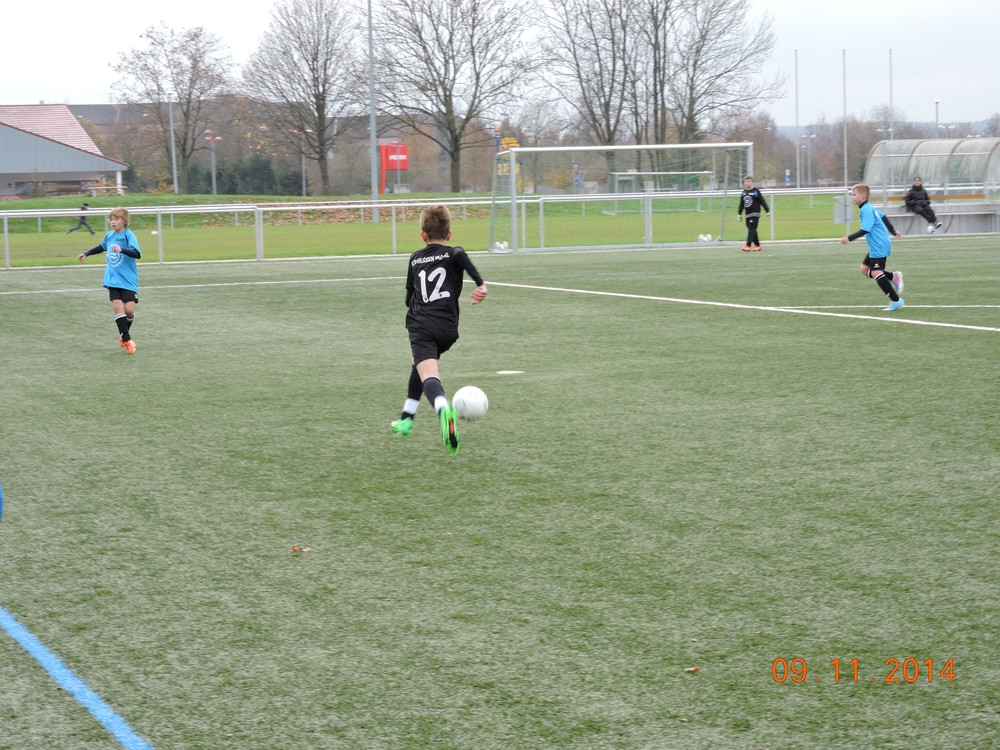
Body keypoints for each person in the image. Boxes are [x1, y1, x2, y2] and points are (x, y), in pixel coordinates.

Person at [391, 204, 488, 455]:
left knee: (429, 375)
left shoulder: (415, 258)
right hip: (448, 329)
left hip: (422, 326)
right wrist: (480, 284)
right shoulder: (453, 253)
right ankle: (406, 418)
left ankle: (443, 409)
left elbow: (409, 298)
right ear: (449, 233)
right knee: (418, 364)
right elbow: (460, 255)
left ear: (423, 235)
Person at [76, 207, 142, 353]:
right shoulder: (109, 236)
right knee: (118, 307)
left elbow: (137, 253)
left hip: (128, 279)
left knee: (129, 311)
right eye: (111, 219)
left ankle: (123, 335)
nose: (113, 222)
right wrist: (86, 253)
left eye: (116, 219)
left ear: (124, 221)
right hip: (113, 279)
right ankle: (127, 340)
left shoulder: (128, 235)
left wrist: (122, 250)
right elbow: (101, 247)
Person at [840, 183, 905, 312]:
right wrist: (893, 231)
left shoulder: (866, 209)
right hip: (878, 245)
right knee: (864, 269)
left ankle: (896, 300)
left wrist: (848, 238)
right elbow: (883, 216)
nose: (852, 197)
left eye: (854, 195)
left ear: (863, 196)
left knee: (876, 272)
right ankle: (893, 277)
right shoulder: (868, 207)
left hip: (879, 245)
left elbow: (865, 229)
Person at [736, 175, 769, 251]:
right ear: (744, 183)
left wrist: (767, 210)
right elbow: (741, 204)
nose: (747, 183)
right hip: (747, 214)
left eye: (749, 181)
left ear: (752, 182)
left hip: (755, 213)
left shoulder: (756, 191)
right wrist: (739, 214)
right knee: (752, 229)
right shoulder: (744, 193)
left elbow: (762, 201)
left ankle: (748, 245)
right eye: (746, 181)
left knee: (751, 228)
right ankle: (757, 245)